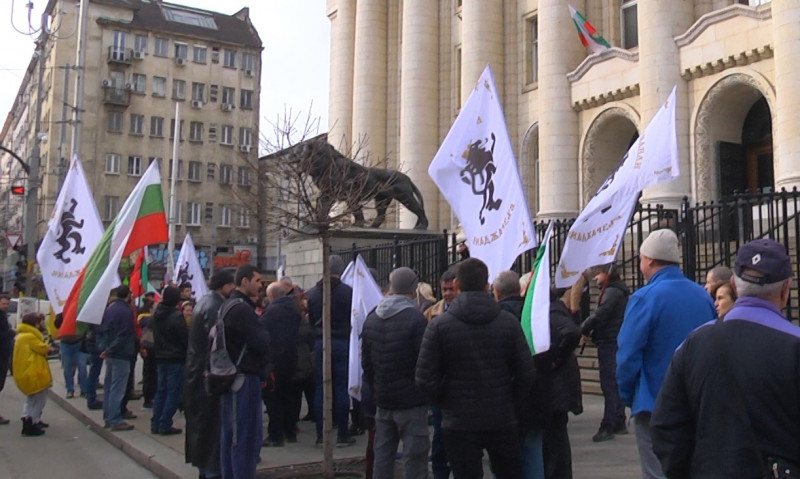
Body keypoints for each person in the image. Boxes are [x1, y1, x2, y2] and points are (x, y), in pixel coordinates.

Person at [652, 238, 800, 477]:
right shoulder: (794, 345)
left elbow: (665, 424)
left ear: (733, 283)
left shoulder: (693, 343)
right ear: (786, 289)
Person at [416, 258, 534, 479]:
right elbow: (526, 372)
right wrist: (510, 400)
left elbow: (424, 378)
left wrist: (445, 402)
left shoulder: (439, 326)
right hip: (501, 416)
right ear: (487, 285)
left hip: (459, 420)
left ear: (458, 286)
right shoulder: (508, 323)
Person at [616, 229, 716, 479]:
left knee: (658, 471)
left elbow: (628, 355)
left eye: (640, 258)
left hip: (654, 401)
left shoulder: (644, 298)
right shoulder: (701, 295)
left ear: (649, 260)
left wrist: (628, 395)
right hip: (697, 399)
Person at [362, 267, 430, 479]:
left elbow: (367, 363)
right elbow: (423, 361)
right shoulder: (416, 319)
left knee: (382, 453)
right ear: (413, 288)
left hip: (383, 398)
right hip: (411, 401)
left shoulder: (372, 318)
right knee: (415, 456)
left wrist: (376, 388)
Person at [219, 264, 271, 479]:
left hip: (232, 375)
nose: (260, 285)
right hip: (242, 378)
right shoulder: (241, 308)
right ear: (244, 281)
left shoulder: (228, 305)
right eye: (257, 281)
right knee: (244, 436)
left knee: (232, 434)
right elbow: (261, 341)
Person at [185, 270, 236, 479]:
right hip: (207, 376)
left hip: (197, 373)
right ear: (224, 286)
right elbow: (217, 346)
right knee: (212, 429)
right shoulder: (215, 306)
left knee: (204, 429)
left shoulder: (205, 302)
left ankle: (207, 470)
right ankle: (212, 471)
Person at [307, 254, 355, 447]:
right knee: (341, 389)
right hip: (342, 341)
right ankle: (343, 433)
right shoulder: (347, 292)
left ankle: (320, 434)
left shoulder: (313, 293)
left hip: (320, 341)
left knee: (321, 387)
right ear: (340, 271)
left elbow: (311, 320)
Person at [580, 263, 629, 442]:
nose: (595, 278)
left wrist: (583, 327)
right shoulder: (616, 291)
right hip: (612, 339)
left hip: (609, 341)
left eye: (598, 274)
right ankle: (618, 419)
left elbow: (601, 313)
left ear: (606, 274)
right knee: (613, 383)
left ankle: (608, 424)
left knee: (609, 384)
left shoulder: (612, 292)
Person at [541, 289, 583, 479]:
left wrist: (555, 360)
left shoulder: (552, 312)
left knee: (555, 438)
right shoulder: (554, 310)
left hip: (556, 386)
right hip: (558, 385)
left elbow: (572, 333)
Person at [423, 268, 459, 479]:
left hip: (460, 385)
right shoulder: (431, 314)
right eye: (444, 289)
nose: (447, 294)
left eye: (451, 289)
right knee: (440, 435)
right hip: (440, 386)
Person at [260, 281, 301, 447]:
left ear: (271, 296)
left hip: (275, 361)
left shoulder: (271, 312)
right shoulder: (294, 309)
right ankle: (290, 432)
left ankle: (275, 434)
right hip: (291, 358)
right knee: (288, 397)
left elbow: (262, 334)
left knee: (273, 399)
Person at [97, 286, 137, 431]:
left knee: (109, 387)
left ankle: (108, 417)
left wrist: (104, 348)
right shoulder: (126, 311)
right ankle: (115, 419)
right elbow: (124, 334)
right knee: (117, 389)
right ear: (128, 295)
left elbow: (101, 330)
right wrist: (110, 349)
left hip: (111, 353)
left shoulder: (110, 309)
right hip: (121, 353)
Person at [150, 286, 188, 435]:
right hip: (175, 357)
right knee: (173, 392)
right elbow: (184, 338)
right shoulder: (176, 316)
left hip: (160, 356)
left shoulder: (156, 314)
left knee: (161, 390)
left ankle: (156, 422)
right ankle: (165, 423)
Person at [13, 312, 55, 436]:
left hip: (25, 371)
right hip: (34, 371)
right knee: (39, 399)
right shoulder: (30, 337)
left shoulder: (22, 335)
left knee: (31, 399)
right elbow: (42, 348)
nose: (42, 323)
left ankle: (29, 420)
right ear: (35, 324)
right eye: (40, 321)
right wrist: (49, 347)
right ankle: (31, 422)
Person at [55, 313, 88, 400]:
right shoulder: (62, 313)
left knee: (82, 367)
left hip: (79, 341)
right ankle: (70, 389)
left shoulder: (79, 311)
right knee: (68, 368)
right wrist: (61, 316)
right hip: (66, 342)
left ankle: (84, 390)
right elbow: (57, 324)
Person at [138, 298, 156, 408]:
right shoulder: (144, 318)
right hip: (148, 347)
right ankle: (148, 399)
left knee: (154, 375)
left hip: (154, 348)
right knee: (149, 375)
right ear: (150, 309)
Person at [0, 294, 15, 424]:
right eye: (4, 304)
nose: (6, 306)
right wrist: (12, 333)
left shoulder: (3, 316)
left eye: (7, 304)